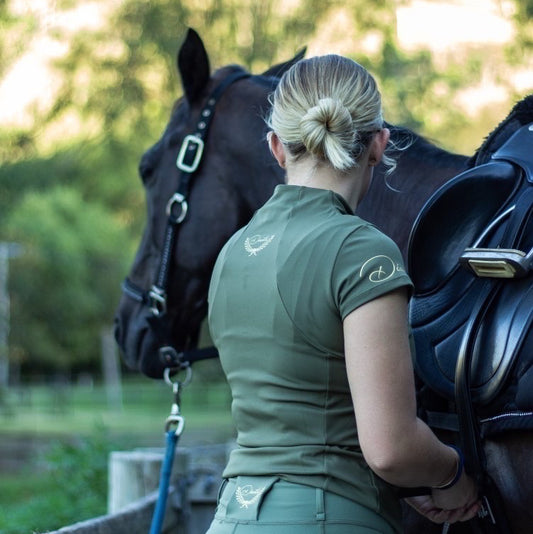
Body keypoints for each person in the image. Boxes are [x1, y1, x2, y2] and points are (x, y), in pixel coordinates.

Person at [205, 54, 480, 533]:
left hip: (232, 517)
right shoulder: (362, 251)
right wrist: (451, 474)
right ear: (378, 144)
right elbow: (391, 448)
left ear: (275, 146)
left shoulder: (233, 252)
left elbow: (300, 406)